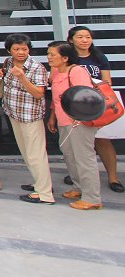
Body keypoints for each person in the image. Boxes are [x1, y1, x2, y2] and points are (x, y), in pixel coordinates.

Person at [0, 34, 53, 204]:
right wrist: (0, 72)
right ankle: (39, 183)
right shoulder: (8, 62)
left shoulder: (36, 67)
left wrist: (22, 77)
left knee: (36, 154)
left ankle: (45, 194)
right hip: (14, 113)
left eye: (24, 49)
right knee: (27, 153)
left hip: (30, 116)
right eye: (16, 49)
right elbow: (4, 75)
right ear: (9, 50)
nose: (20, 52)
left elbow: (38, 93)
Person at [47, 41, 103, 210]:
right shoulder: (57, 72)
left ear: (65, 57)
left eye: (52, 54)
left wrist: (80, 118)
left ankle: (92, 197)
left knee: (84, 158)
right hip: (63, 120)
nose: (49, 57)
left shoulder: (77, 71)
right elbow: (56, 99)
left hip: (78, 122)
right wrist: (52, 117)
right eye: (48, 54)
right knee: (70, 156)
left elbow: (87, 97)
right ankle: (79, 187)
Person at [67, 26, 123, 193]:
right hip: (76, 104)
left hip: (98, 103)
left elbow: (107, 81)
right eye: (80, 37)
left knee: (103, 140)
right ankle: (78, 175)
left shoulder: (99, 57)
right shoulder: (68, 58)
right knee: (78, 143)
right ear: (71, 40)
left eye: (88, 37)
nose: (85, 40)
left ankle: (113, 177)